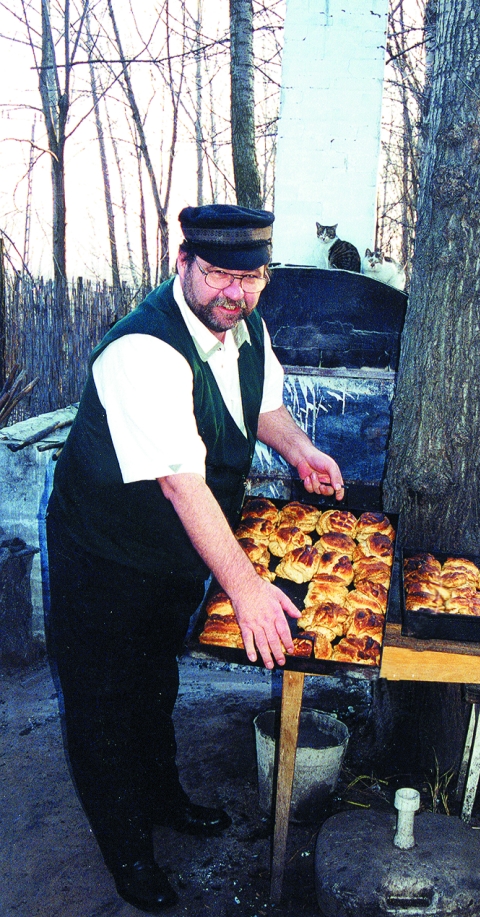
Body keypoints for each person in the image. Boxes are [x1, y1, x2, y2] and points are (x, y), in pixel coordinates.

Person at [45, 204, 345, 912]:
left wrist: (298, 449)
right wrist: (244, 585)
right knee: (102, 702)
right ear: (183, 263)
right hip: (105, 552)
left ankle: (164, 797)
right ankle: (128, 854)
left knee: (154, 679)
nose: (232, 294)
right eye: (216, 275)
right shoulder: (142, 349)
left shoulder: (245, 326)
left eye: (250, 278)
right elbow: (181, 481)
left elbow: (259, 402)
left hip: (172, 554)